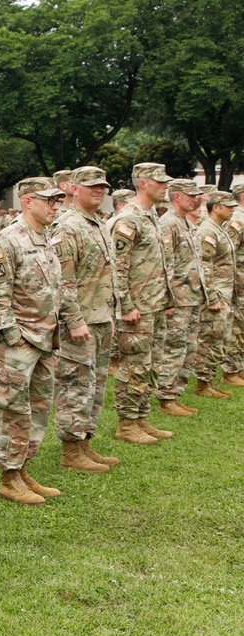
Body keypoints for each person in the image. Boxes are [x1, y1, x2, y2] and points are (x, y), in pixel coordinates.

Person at [0, 177, 63, 503]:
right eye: (49, 200)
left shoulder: (45, 239)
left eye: (58, 200)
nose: (55, 206)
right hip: (20, 342)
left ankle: (23, 468)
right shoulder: (8, 241)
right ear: (28, 201)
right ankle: (8, 477)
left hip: (44, 339)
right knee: (13, 409)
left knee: (39, 409)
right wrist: (14, 338)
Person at [51, 167, 122, 472]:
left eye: (103, 186)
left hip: (100, 315)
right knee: (76, 384)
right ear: (74, 188)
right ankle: (70, 450)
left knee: (94, 384)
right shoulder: (66, 225)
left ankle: (84, 443)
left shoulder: (97, 223)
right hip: (79, 320)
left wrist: (111, 312)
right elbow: (63, 280)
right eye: (92, 186)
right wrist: (75, 320)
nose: (99, 190)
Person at [111, 163, 174, 445]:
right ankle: (126, 423)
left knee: (151, 364)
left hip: (154, 304)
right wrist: (126, 305)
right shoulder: (128, 219)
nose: (165, 186)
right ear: (143, 183)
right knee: (134, 366)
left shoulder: (151, 217)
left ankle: (140, 416)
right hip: (137, 308)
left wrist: (167, 299)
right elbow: (118, 267)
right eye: (160, 182)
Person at [154, 179, 207, 415]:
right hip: (179, 298)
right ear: (176, 196)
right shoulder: (168, 224)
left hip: (192, 296)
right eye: (190, 195)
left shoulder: (185, 222)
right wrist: (169, 299)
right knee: (174, 348)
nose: (195, 199)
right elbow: (166, 264)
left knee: (188, 348)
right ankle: (166, 396)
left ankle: (176, 393)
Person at [193, 191, 237, 397]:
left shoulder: (219, 229)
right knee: (211, 338)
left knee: (220, 338)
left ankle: (208, 381)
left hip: (224, 293)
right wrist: (211, 297)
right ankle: (202, 383)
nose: (232, 209)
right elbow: (204, 266)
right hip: (216, 295)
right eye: (228, 206)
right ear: (216, 207)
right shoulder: (208, 232)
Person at [221, 183, 244, 387]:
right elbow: (230, 253)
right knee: (237, 325)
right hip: (239, 282)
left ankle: (239, 366)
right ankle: (230, 369)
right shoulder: (236, 221)